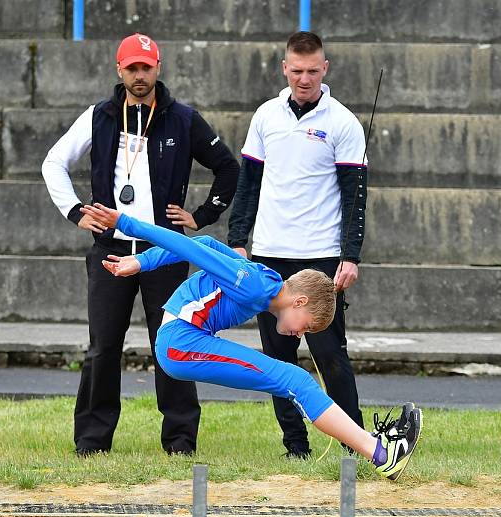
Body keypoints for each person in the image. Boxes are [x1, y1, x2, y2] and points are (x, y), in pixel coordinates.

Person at [81, 203, 422, 481]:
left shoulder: (267, 281)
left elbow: (209, 245)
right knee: (296, 379)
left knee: (294, 380)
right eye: (307, 327)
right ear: (300, 302)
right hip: (180, 344)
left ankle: (378, 450)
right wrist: (127, 224)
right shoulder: (255, 286)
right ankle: (381, 454)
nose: (301, 334)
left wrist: (141, 261)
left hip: (185, 340)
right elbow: (187, 245)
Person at [42, 33, 239, 456]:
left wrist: (201, 216)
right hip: (110, 250)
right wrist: (76, 212)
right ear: (119, 70)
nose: (139, 75)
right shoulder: (98, 116)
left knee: (173, 343)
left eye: (146, 67)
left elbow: (228, 169)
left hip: (164, 252)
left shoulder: (183, 119)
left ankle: (181, 441)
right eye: (131, 67)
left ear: (158, 68)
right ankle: (92, 442)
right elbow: (53, 162)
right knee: (102, 347)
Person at [227, 31, 367, 459]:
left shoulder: (342, 122)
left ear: (325, 69)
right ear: (284, 68)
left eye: (312, 71)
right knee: (277, 359)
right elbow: (248, 182)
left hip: (321, 255)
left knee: (329, 354)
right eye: (296, 70)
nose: (304, 78)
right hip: (269, 251)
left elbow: (355, 194)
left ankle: (353, 442)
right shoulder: (266, 115)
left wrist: (350, 255)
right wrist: (238, 241)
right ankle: (295, 446)